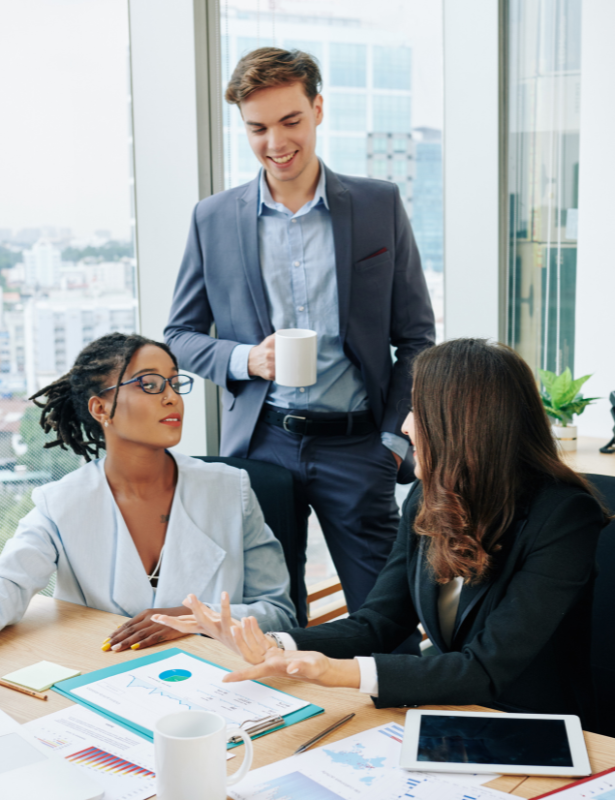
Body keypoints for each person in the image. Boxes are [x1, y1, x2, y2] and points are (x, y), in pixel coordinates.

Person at [152, 339, 608, 717]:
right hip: (449, 707)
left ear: (466, 426)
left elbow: (485, 669)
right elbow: (379, 622)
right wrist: (272, 643)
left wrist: (334, 672)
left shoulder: (564, 518)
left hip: (530, 722)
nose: (407, 424)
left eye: (419, 409)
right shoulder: (431, 496)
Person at [164, 47, 436, 619]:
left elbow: (416, 337)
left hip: (359, 447)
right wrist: (246, 359)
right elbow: (181, 335)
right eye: (257, 128)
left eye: (290, 121)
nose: (275, 142)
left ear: (317, 109)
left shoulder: (377, 204)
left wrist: (391, 443)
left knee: (388, 616)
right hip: (262, 447)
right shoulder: (212, 219)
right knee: (273, 619)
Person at [0, 333, 296, 649]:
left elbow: (280, 611)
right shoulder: (61, 505)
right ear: (101, 408)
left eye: (175, 383)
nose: (172, 397)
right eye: (150, 385)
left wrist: (196, 620)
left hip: (222, 683)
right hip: (111, 683)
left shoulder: (230, 490)